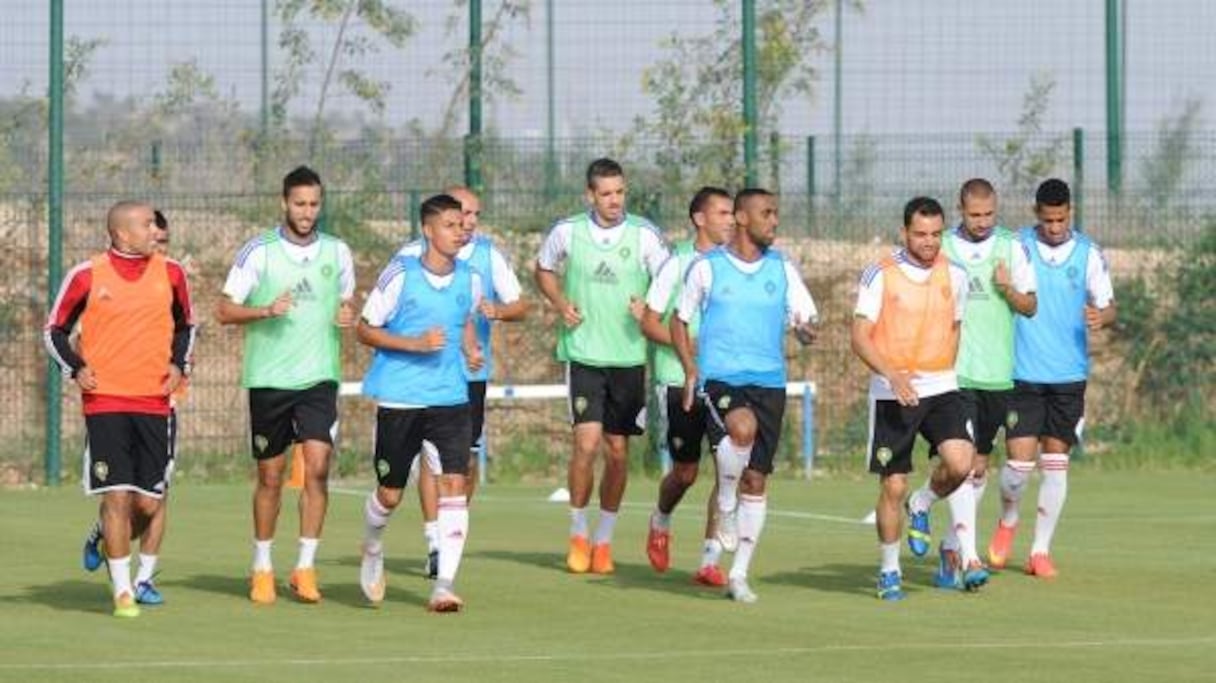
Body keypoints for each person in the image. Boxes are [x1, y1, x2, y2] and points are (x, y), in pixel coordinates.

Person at [46, 201, 196, 617]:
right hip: (106, 402)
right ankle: (123, 591)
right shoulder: (87, 274)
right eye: (147, 224)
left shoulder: (172, 273)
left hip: (155, 403)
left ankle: (106, 539)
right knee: (117, 496)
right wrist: (75, 369)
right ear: (121, 234)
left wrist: (176, 365)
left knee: (147, 504)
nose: (155, 231)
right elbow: (54, 330)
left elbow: (187, 326)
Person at [216, 166, 357, 605]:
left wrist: (347, 316)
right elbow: (224, 310)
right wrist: (265, 311)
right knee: (271, 477)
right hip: (269, 380)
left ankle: (305, 567)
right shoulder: (258, 251)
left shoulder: (338, 251)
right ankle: (261, 567)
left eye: (315, 204)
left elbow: (348, 301)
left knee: (317, 468)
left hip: (318, 378)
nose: (307, 211)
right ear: (284, 203)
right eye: (300, 203)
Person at [671, 188, 819, 603]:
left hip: (769, 382)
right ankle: (725, 500)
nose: (774, 221)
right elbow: (679, 321)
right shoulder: (707, 268)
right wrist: (690, 369)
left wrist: (807, 332)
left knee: (758, 478)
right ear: (741, 217)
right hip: (721, 379)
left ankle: (738, 574)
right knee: (741, 428)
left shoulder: (783, 268)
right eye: (766, 213)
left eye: (776, 213)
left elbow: (806, 319)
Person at [534, 158, 669, 574]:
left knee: (617, 451)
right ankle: (578, 533)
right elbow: (543, 270)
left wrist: (649, 306)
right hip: (584, 354)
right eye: (606, 193)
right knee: (586, 444)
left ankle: (604, 540)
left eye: (620, 192)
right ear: (590, 195)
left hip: (628, 358)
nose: (614, 200)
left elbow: (669, 280)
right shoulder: (568, 231)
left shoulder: (645, 234)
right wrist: (560, 303)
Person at [908, 179, 1037, 590]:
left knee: (976, 467)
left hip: (997, 375)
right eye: (974, 215)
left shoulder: (1011, 246)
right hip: (953, 374)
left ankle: (932, 518)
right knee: (962, 464)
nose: (982, 222)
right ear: (961, 211)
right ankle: (970, 556)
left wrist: (1008, 289)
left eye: (989, 214)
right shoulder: (940, 246)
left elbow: (1030, 305)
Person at [356, 194, 483, 612]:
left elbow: (463, 319)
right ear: (428, 230)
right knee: (390, 495)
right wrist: (414, 344)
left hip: (450, 397)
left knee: (455, 483)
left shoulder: (470, 277)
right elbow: (365, 328)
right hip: (401, 398)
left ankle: (444, 585)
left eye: (462, 224)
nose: (460, 230)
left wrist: (470, 348)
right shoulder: (400, 274)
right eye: (450, 224)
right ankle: (372, 547)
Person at [987, 178, 1115, 579]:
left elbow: (1108, 306)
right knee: (1018, 468)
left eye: (1061, 220)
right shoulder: (1017, 245)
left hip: (1068, 375)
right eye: (1048, 220)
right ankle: (1008, 521)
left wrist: (1101, 317)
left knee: (1056, 463)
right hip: (1022, 372)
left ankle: (1040, 551)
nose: (1055, 228)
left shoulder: (1089, 253)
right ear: (1036, 214)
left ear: (1070, 213)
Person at [850, 196, 976, 601]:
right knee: (893, 487)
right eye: (920, 234)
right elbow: (859, 337)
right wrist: (891, 373)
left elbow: (955, 328)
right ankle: (889, 569)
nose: (929, 242)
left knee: (962, 463)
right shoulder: (880, 274)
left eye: (936, 234)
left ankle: (922, 503)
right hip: (893, 393)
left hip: (941, 387)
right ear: (905, 233)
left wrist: (946, 376)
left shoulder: (955, 275)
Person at [399, 186, 528, 579]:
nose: (469, 223)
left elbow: (520, 305)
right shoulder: (409, 257)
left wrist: (499, 310)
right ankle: (435, 543)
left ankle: (449, 533)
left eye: (475, 215)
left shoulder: (488, 257)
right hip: (422, 375)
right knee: (430, 458)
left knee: (463, 462)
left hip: (469, 377)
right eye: (462, 215)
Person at [641, 186, 735, 586]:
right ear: (700, 218)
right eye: (723, 213)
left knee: (727, 466)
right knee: (685, 473)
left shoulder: (735, 264)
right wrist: (685, 346)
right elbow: (649, 321)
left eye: (733, 213)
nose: (731, 220)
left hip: (725, 383)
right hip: (678, 383)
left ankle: (710, 560)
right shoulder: (676, 263)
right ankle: (660, 518)